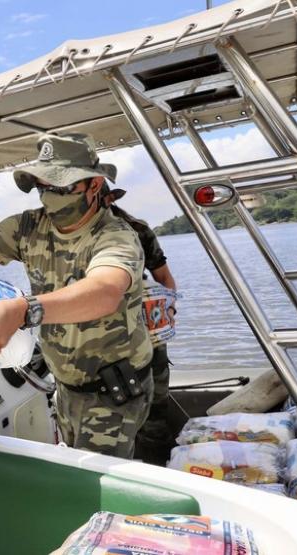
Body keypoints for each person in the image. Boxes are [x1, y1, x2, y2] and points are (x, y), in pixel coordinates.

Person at [0, 132, 153, 459]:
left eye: (61, 188)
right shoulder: (28, 227)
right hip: (66, 387)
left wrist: (25, 310)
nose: (50, 198)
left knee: (95, 485)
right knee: (72, 466)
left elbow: (105, 292)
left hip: (112, 393)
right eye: (43, 187)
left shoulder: (115, 236)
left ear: (93, 185)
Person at [103, 188, 178, 465]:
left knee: (155, 407)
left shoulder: (138, 229)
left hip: (147, 329)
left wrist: (168, 311)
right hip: (102, 338)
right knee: (114, 413)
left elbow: (164, 278)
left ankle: (161, 468)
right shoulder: (70, 235)